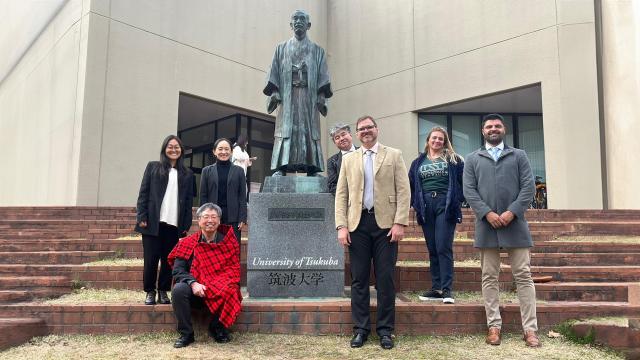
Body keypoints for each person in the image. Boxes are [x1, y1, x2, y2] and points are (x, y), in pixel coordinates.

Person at [462, 113, 540, 347]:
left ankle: (530, 330)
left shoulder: (519, 155)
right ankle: (493, 326)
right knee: (489, 277)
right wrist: (487, 213)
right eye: (489, 126)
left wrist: (511, 211)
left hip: (515, 224)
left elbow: (528, 187)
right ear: (482, 131)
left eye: (497, 125)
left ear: (503, 129)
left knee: (524, 277)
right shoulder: (472, 158)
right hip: (486, 225)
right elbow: (469, 190)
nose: (493, 129)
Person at [335, 115, 411, 350]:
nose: (366, 131)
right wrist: (341, 226)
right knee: (358, 279)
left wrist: (400, 222)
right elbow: (342, 194)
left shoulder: (394, 155)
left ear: (377, 129)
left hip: (386, 226)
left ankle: (386, 330)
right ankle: (360, 329)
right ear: (357, 134)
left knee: (385, 279)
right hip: (357, 225)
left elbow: (403, 190)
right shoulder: (349, 159)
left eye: (369, 127)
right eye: (361, 129)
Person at [263, 10, 332, 176]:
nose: (298, 21)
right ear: (291, 24)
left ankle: (312, 167)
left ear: (308, 25)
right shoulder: (281, 49)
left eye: (302, 19)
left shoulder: (318, 51)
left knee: (309, 129)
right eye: (295, 18)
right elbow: (273, 73)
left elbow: (323, 76)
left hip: (309, 98)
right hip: (288, 97)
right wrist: (275, 91)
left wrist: (321, 96)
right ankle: (281, 167)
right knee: (285, 130)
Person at [169, 203, 242, 348]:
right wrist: (193, 283)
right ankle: (186, 334)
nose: (210, 220)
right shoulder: (187, 243)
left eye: (214, 217)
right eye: (206, 217)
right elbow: (178, 270)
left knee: (231, 289)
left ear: (219, 221)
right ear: (199, 220)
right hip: (196, 290)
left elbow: (233, 270)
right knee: (178, 290)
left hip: (219, 289)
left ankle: (217, 328)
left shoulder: (228, 242)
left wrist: (215, 283)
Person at [135, 135, 194, 306]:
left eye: (177, 147)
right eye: (170, 146)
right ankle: (150, 291)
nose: (173, 149)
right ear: (164, 149)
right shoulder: (153, 167)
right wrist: (142, 216)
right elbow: (143, 193)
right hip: (153, 223)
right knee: (151, 259)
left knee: (169, 260)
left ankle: (163, 291)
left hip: (174, 224)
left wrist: (186, 224)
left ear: (181, 151)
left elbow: (189, 201)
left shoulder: (187, 174)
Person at [409, 127, 464, 304]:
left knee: (443, 246)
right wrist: (414, 204)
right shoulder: (418, 162)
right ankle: (436, 288)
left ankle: (447, 290)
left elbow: (464, 182)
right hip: (425, 206)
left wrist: (458, 199)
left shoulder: (454, 160)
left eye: (441, 139)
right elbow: (411, 185)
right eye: (434, 138)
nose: (437, 141)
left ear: (445, 141)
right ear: (428, 140)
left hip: (445, 204)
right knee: (432, 247)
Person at [200, 138, 247, 245]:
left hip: (233, 217)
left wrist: (242, 217)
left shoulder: (239, 171)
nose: (223, 152)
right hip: (212, 217)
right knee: (212, 249)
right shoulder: (206, 171)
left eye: (227, 149)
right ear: (214, 151)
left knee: (232, 249)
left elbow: (242, 196)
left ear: (231, 151)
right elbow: (203, 195)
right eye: (220, 149)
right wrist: (203, 216)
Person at [326, 123, 357, 195]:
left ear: (350, 135)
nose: (341, 139)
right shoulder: (332, 161)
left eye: (343, 134)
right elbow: (332, 186)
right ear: (335, 143)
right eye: (337, 138)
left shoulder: (363, 152)